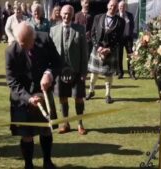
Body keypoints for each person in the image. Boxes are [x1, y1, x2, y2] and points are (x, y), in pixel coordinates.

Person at [5, 21, 61, 169]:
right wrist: (28, 98)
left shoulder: (45, 39)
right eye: (22, 44)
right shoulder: (11, 51)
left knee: (46, 130)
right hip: (23, 96)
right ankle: (28, 164)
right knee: (27, 134)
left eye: (28, 43)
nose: (25, 47)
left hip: (43, 92)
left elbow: (57, 63)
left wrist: (48, 74)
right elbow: (12, 81)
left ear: (34, 36)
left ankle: (47, 162)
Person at [50, 5, 88, 135]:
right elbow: (50, 53)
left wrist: (84, 72)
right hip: (60, 72)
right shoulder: (53, 30)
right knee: (62, 98)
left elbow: (84, 53)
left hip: (76, 71)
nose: (66, 16)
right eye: (64, 13)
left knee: (78, 97)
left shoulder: (80, 29)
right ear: (60, 14)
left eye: (69, 14)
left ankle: (80, 124)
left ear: (73, 15)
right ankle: (65, 123)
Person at [86, 0, 125, 104]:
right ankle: (91, 90)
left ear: (117, 8)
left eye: (115, 6)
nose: (112, 7)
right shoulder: (98, 17)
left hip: (110, 49)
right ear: (108, 5)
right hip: (97, 48)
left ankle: (107, 95)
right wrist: (97, 47)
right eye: (111, 5)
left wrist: (110, 49)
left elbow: (120, 38)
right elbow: (93, 33)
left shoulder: (121, 21)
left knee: (108, 72)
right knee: (94, 72)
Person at [117, 0, 135, 79]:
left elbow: (132, 26)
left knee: (130, 56)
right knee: (119, 56)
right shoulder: (116, 15)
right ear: (118, 7)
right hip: (119, 39)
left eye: (123, 6)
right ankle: (120, 73)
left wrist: (130, 34)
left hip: (128, 39)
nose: (122, 8)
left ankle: (131, 73)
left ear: (125, 7)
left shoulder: (130, 15)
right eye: (120, 6)